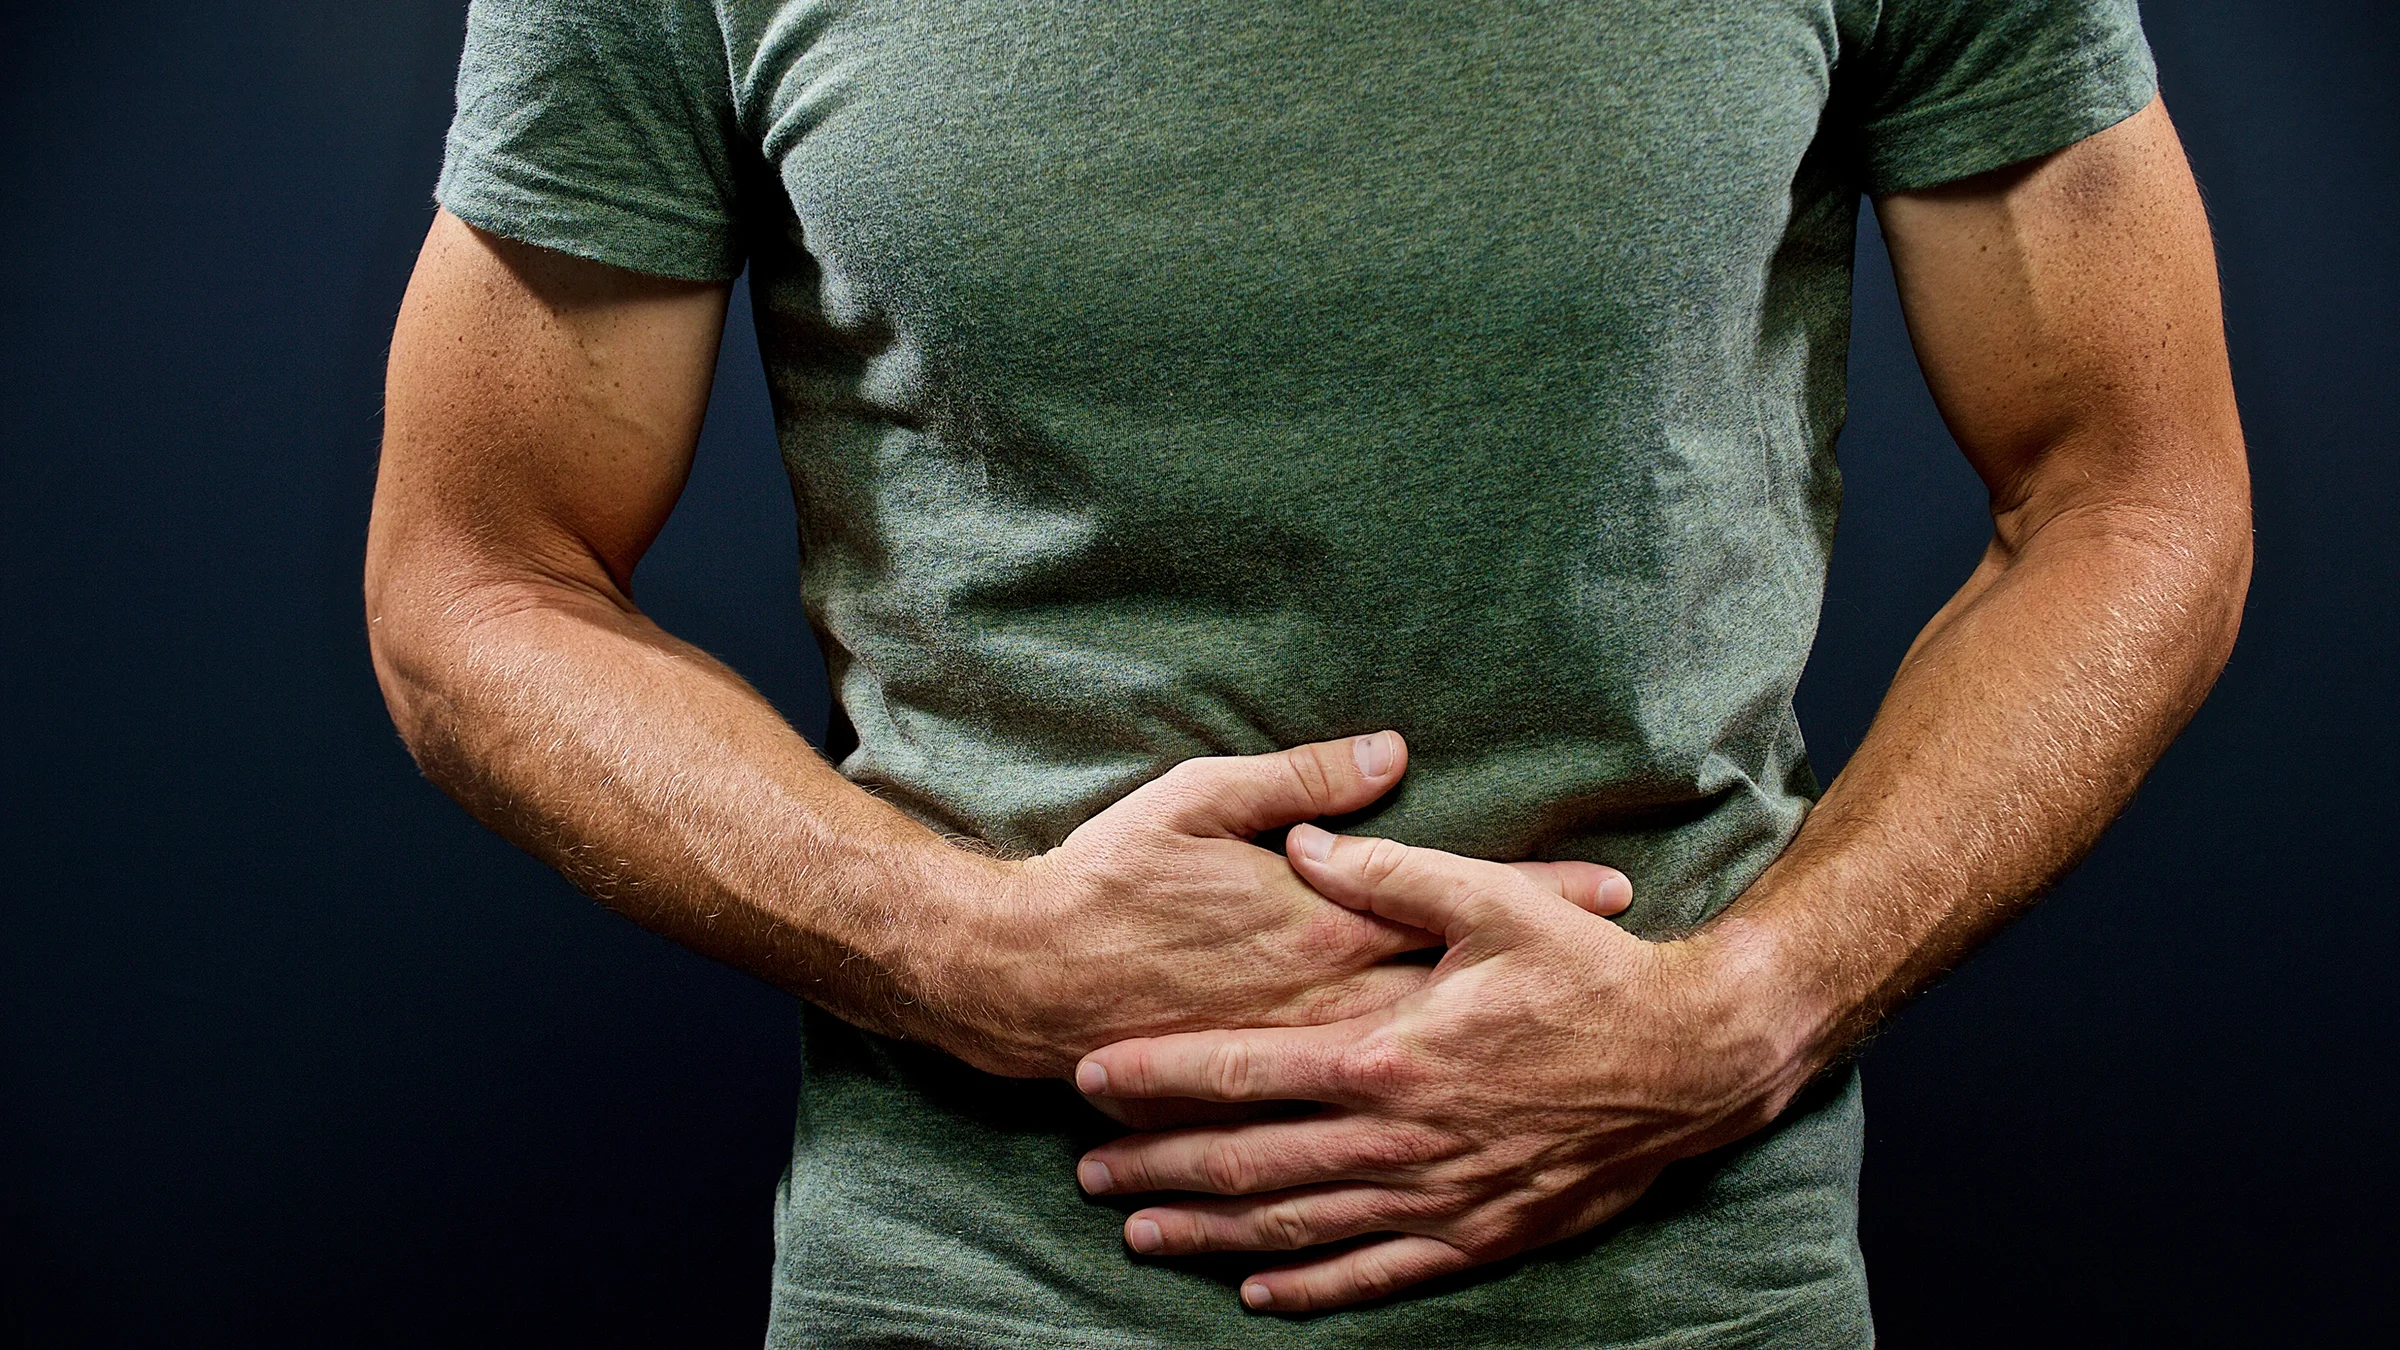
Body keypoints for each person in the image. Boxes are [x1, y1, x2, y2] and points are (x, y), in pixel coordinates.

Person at [364, 0, 2250, 1343]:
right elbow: (474, 576)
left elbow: (2132, 491)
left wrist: (1750, 1007)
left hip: (1678, 1291)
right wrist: (954, 945)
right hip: (973, 1285)